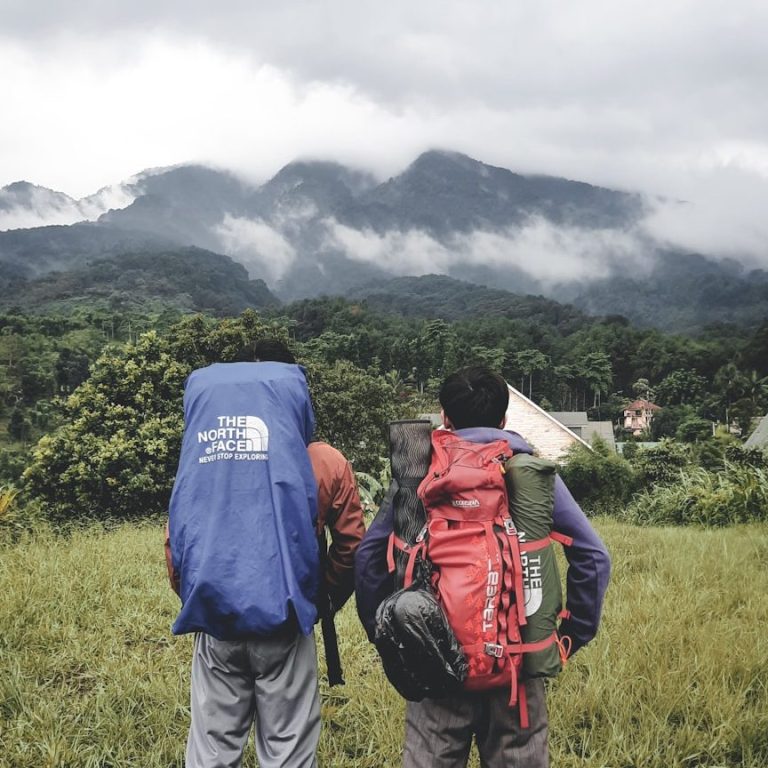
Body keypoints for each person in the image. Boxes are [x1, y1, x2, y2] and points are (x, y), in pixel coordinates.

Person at [355, 365, 611, 768]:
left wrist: (387, 634)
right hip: (516, 665)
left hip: (433, 659)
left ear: (445, 417)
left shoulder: (420, 470)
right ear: (504, 419)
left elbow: (369, 556)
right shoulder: (526, 470)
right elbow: (594, 556)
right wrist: (569, 637)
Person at [165, 339, 365, 768]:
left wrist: (201, 597)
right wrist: (317, 598)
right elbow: (351, 546)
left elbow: (178, 538)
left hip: (216, 620)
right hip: (287, 623)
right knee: (288, 752)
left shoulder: (207, 452)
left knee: (212, 751)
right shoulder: (324, 460)